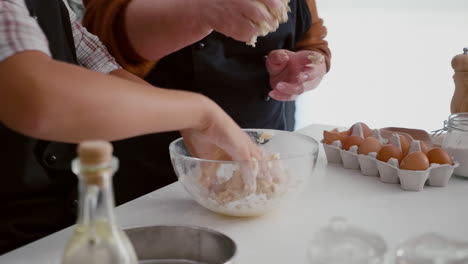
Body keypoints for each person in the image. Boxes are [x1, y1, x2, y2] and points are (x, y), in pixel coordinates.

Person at [0, 0, 268, 253]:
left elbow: (99, 65)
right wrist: (201, 114)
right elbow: (38, 99)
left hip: (54, 233)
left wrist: (192, 124)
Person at [81, 0, 331, 196]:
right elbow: (102, 43)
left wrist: (309, 64)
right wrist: (200, 13)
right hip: (157, 170)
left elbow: (311, 37)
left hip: (270, 144)